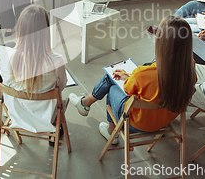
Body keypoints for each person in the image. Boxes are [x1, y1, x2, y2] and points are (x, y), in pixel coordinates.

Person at [69, 16, 195, 145]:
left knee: (112, 82)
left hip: (138, 123)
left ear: (162, 43)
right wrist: (129, 76)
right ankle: (85, 103)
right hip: (164, 120)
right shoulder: (191, 69)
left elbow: (128, 89)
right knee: (117, 78)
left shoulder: (144, 73)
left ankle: (110, 130)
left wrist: (131, 77)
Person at [0, 5, 67, 134]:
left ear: (20, 30)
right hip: (46, 118)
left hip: (16, 115)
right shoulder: (57, 61)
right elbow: (61, 87)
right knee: (60, 97)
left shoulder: (4, 56)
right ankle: (55, 132)